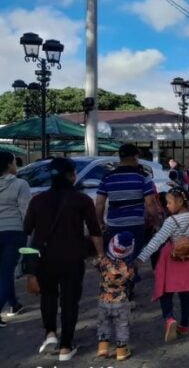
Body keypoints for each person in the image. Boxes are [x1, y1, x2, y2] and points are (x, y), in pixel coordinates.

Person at [24, 158, 104, 361]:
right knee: (70, 301)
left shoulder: (37, 200)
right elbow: (95, 231)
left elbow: (28, 232)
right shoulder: (82, 200)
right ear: (71, 175)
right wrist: (101, 256)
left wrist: (28, 268)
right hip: (72, 257)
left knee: (48, 296)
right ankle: (66, 347)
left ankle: (50, 334)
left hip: (44, 258)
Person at [136, 187, 189, 342]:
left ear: (180, 201)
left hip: (172, 261)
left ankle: (170, 319)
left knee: (166, 292)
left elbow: (156, 241)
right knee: (185, 294)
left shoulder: (170, 221)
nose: (167, 206)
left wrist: (140, 258)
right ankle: (185, 325)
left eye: (169, 202)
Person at [96, 144, 161, 298]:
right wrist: (157, 220)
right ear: (133, 157)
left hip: (114, 224)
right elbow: (150, 203)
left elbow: (99, 204)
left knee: (115, 257)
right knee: (132, 257)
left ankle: (117, 288)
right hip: (135, 224)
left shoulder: (107, 177)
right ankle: (128, 288)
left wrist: (100, 222)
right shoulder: (142, 177)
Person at [0, 151, 31, 326]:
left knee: (4, 273)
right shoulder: (20, 184)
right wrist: (30, 233)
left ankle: (13, 304)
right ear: (9, 165)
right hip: (13, 232)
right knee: (6, 272)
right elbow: (25, 210)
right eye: (14, 162)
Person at [96, 232, 135, 361]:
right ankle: (121, 351)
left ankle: (103, 347)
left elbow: (95, 263)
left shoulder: (103, 262)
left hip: (104, 299)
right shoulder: (129, 268)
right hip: (121, 301)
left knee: (103, 322)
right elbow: (132, 280)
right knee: (122, 325)